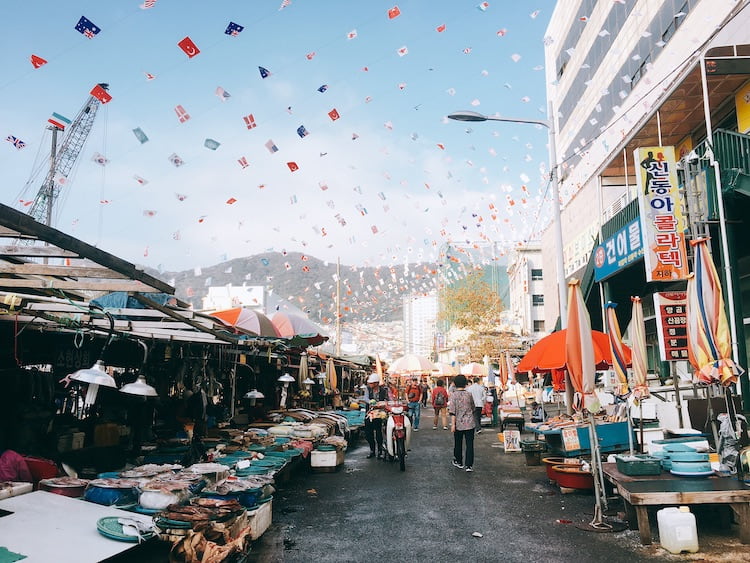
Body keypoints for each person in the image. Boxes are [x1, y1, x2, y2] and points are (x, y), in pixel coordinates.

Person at [449, 374, 476, 472]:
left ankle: (459, 461)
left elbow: (452, 411)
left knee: (458, 443)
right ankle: (469, 465)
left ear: (455, 384)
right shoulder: (469, 394)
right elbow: (473, 407)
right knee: (469, 444)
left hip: (458, 423)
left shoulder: (453, 395)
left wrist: (453, 425)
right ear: (465, 383)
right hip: (470, 423)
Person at [363, 374, 388, 458]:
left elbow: (388, 399)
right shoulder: (368, 389)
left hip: (380, 413)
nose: (370, 384)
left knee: (378, 432)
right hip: (370, 413)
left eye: (371, 383)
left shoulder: (383, 390)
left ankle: (380, 450)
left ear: (376, 383)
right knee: (368, 433)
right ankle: (372, 450)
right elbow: (365, 398)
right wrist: (370, 402)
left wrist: (384, 404)